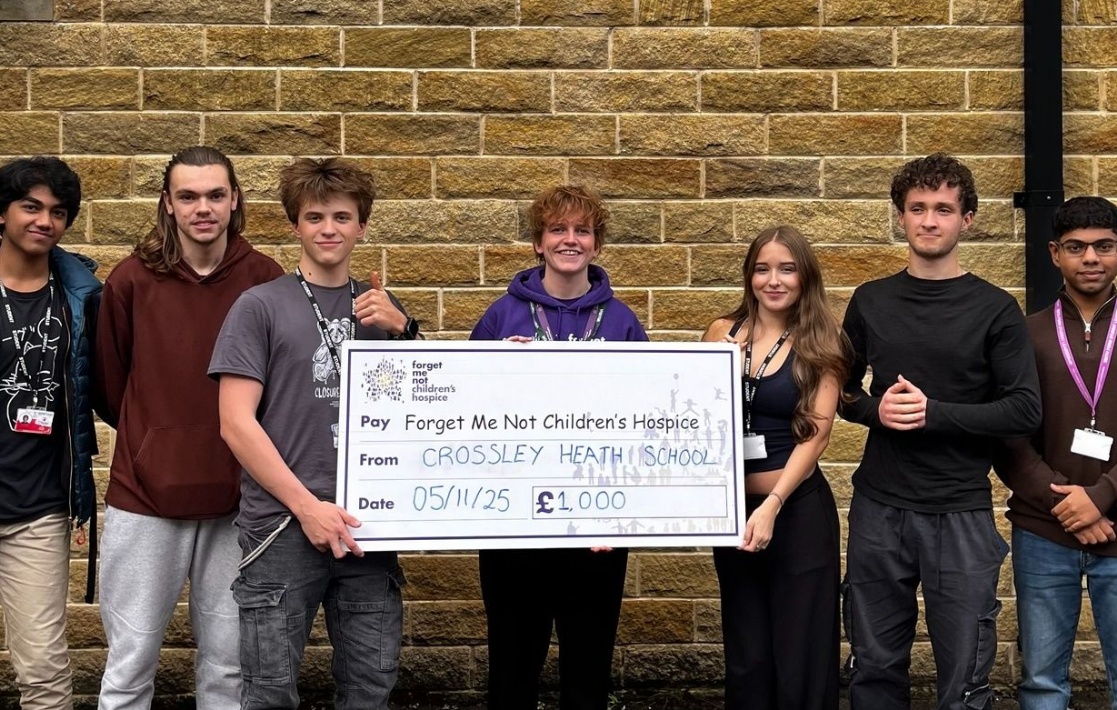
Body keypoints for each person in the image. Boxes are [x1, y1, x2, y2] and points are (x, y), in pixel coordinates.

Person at [209, 157, 418, 710]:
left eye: (342, 217)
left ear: (362, 226)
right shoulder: (259, 306)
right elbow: (235, 423)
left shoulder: (383, 311)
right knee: (270, 692)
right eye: (315, 217)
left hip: (368, 524)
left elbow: (425, 412)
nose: (329, 229)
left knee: (370, 689)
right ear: (295, 225)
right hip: (282, 526)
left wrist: (405, 331)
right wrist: (307, 507)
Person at [840, 153, 1042, 710]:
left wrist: (934, 413)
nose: (929, 220)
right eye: (918, 208)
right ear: (900, 217)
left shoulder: (996, 309)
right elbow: (841, 390)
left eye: (944, 209)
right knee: (873, 666)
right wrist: (875, 411)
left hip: (960, 512)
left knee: (965, 677)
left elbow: (1024, 410)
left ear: (967, 220)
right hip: (879, 508)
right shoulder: (871, 300)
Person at [94, 146, 283, 710]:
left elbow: (278, 388)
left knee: (229, 668)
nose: (204, 208)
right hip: (143, 498)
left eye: (216, 195)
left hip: (238, 500)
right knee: (130, 665)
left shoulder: (265, 279)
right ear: (168, 204)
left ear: (235, 200)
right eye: (189, 196)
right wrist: (155, 444)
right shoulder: (130, 279)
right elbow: (111, 386)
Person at [470, 185, 646, 710]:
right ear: (538, 243)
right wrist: (496, 371)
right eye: (557, 229)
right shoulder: (501, 316)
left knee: (588, 669)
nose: (570, 240)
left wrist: (619, 514)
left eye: (582, 230)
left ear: (596, 244)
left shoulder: (622, 321)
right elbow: (462, 415)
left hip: (596, 527)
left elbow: (644, 424)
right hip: (512, 524)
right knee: (512, 666)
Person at [702, 226, 846, 709]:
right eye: (763, 269)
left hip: (796, 509)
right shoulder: (722, 333)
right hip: (733, 512)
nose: (774, 280)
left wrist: (772, 506)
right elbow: (689, 413)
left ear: (805, 276)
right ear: (750, 276)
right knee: (747, 653)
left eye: (787, 269)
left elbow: (816, 435)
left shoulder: (821, 340)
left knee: (800, 652)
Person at [996, 195, 1117, 710]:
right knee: (1042, 681)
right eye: (1076, 247)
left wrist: (1102, 496)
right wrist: (1067, 505)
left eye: (1104, 246)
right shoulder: (1024, 335)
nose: (1090, 258)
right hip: (1044, 531)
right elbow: (1007, 437)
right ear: (1054, 253)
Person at [0, 156, 101, 709]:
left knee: (42, 667)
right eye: (30, 206)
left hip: (36, 510)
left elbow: (113, 386)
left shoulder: (81, 296)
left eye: (58, 212)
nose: (44, 220)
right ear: (3, 213)